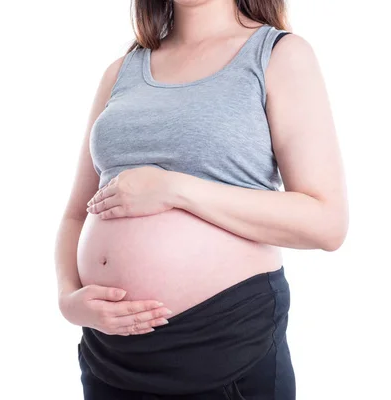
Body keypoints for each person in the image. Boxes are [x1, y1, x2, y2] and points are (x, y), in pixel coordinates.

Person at [54, 0, 349, 399]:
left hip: (223, 347)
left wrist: (175, 189)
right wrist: (69, 299)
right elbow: (76, 212)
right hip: (110, 353)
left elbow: (326, 222)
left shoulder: (279, 55)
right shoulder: (122, 71)